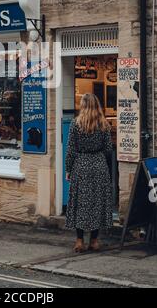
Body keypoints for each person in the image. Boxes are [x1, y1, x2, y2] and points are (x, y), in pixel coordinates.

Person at [65, 93, 113, 253]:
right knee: (97, 203)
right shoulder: (104, 124)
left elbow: (71, 149)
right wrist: (100, 160)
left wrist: (68, 169)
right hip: (99, 166)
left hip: (81, 166)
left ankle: (79, 241)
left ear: (83, 106)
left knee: (80, 203)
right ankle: (94, 240)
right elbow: (108, 149)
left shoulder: (75, 124)